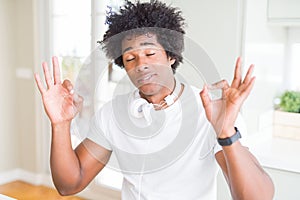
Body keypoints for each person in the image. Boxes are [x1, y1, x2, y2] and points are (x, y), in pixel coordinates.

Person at [34, 1, 274, 199]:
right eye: (130, 58)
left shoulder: (211, 110)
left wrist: (226, 132)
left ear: (170, 55)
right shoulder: (112, 114)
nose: (142, 65)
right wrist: (61, 124)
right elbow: (69, 185)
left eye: (150, 53)